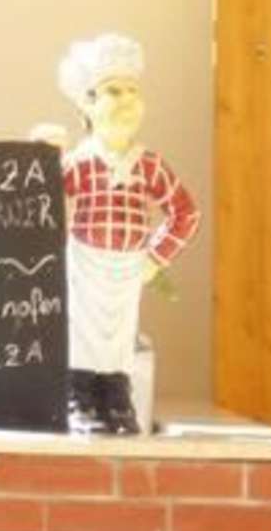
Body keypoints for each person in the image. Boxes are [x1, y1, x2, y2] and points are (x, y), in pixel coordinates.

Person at [49, 33, 200, 434]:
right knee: (82, 329)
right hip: (84, 261)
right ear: (88, 104)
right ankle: (81, 397)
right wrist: (42, 155)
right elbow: (42, 201)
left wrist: (156, 258)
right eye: (114, 91)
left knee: (120, 334)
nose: (127, 101)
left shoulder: (148, 165)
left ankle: (116, 398)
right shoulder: (79, 163)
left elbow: (186, 211)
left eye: (133, 91)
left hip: (129, 264)